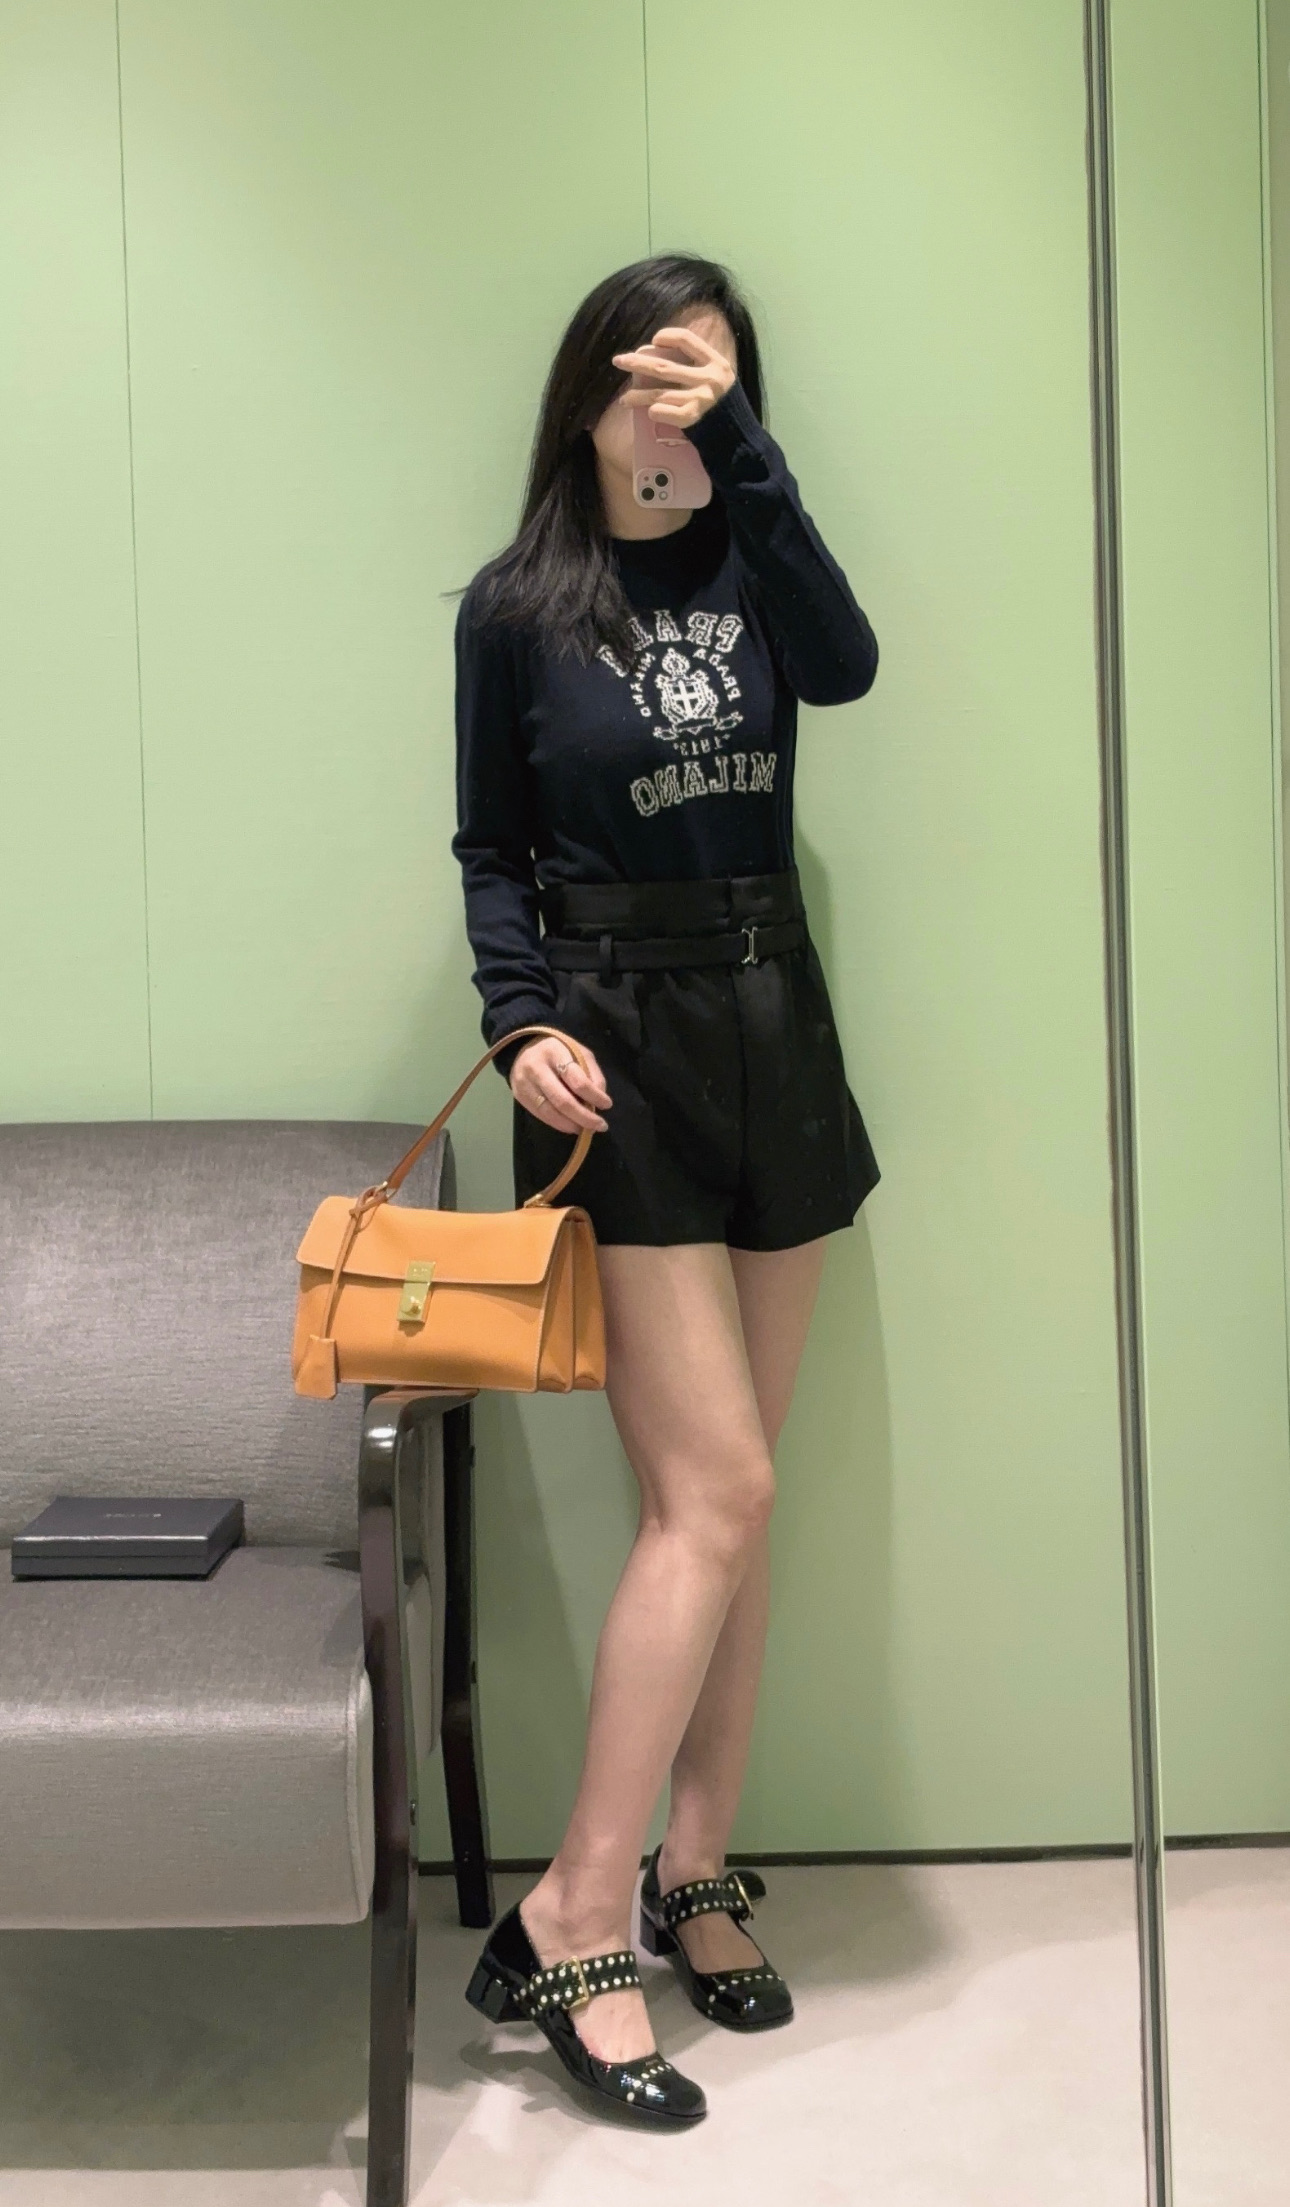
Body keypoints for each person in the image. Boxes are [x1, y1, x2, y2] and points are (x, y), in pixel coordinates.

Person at [452, 253, 879, 2128]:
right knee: (716, 1492)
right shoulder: (516, 609)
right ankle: (575, 1904)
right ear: (583, 395)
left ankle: (694, 1863)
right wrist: (518, 1019)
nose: (669, 406)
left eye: (703, 376)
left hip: (775, 1020)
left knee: (734, 1496)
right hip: (613, 1045)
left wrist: (751, 462)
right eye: (643, 372)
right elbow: (489, 844)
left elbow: (848, 669)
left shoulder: (759, 566)